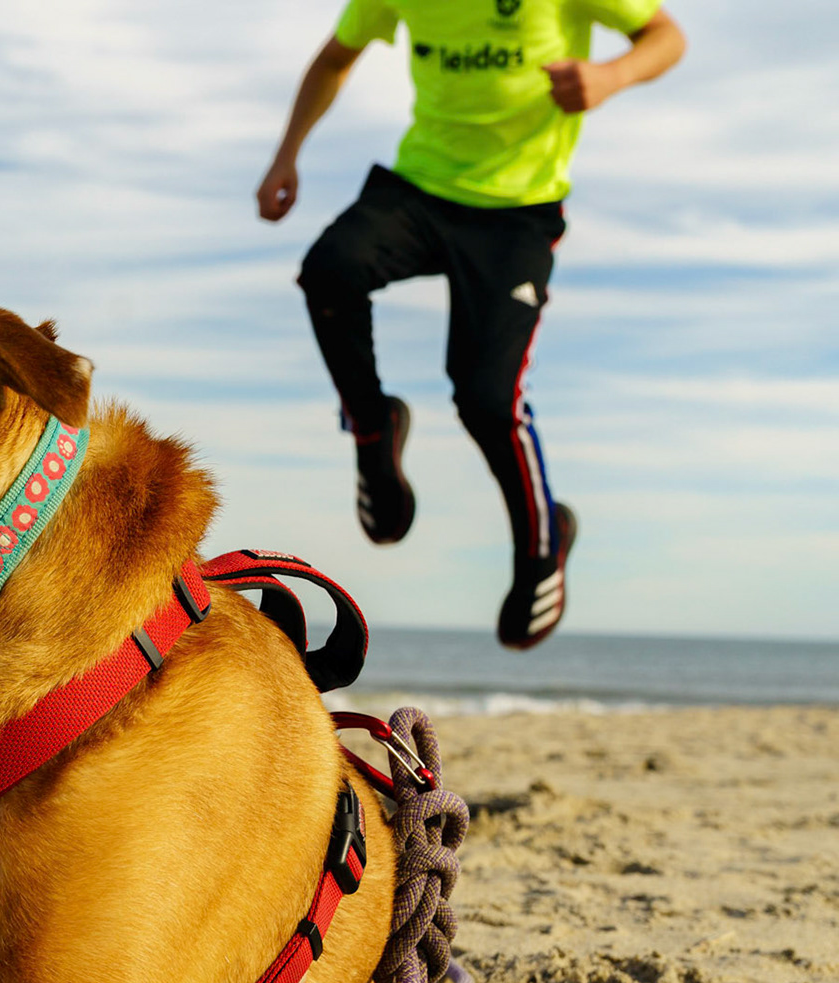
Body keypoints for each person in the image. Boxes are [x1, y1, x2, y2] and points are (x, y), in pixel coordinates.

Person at [257, 1, 685, 648]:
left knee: (486, 397)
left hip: (518, 211)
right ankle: (374, 431)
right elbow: (334, 58)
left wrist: (610, 76)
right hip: (419, 189)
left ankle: (543, 545)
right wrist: (287, 153)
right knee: (330, 270)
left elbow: (665, 35)